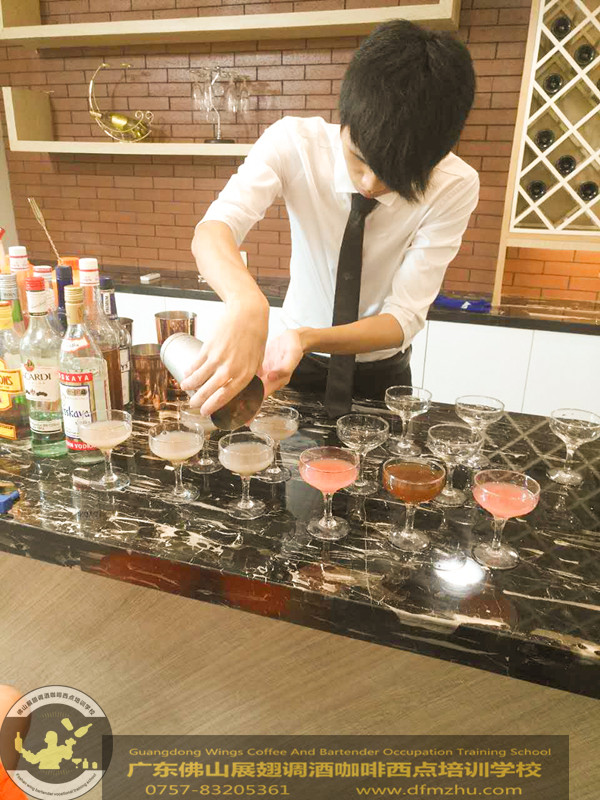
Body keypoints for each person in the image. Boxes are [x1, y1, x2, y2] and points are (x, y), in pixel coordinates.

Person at [185, 19, 479, 416]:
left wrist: (307, 337)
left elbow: (403, 317)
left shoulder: (455, 184)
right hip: (290, 367)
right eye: (359, 159)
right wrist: (245, 303)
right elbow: (214, 228)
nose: (370, 183)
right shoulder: (294, 143)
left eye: (395, 175)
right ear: (345, 121)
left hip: (382, 374)